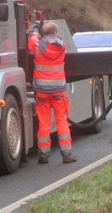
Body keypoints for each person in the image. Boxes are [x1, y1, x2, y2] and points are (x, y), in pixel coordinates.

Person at [28, 21, 77, 164]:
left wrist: (35, 30)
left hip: (42, 92)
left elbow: (32, 41)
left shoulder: (37, 46)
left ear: (43, 33)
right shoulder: (62, 46)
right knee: (62, 122)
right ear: (56, 32)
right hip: (58, 92)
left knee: (44, 124)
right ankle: (66, 154)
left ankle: (43, 155)